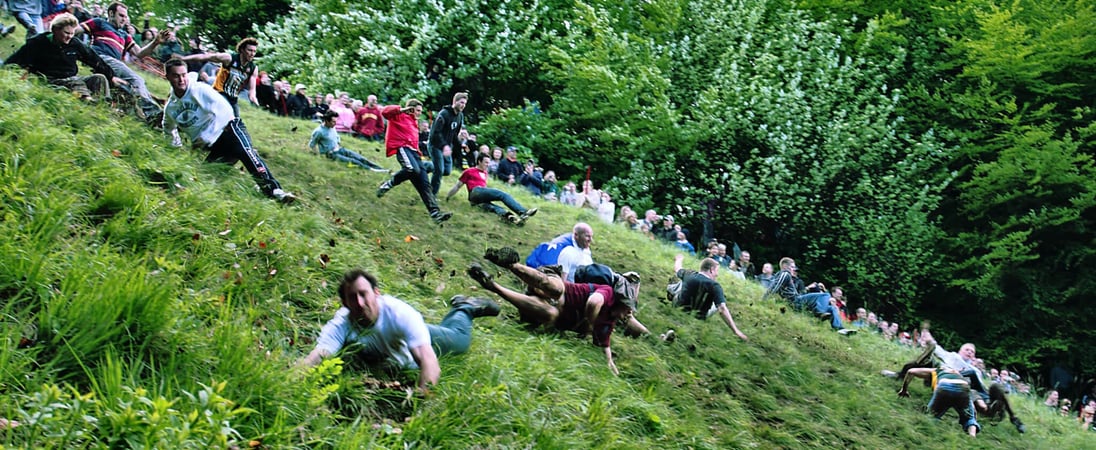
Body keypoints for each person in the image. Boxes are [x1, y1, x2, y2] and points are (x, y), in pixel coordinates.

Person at [300, 269, 500, 392]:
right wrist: (291, 377)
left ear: (377, 293)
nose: (360, 303)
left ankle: (465, 308)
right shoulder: (341, 323)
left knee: (461, 341)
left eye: (364, 294)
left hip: (422, 338)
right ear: (344, 303)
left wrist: (422, 399)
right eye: (353, 297)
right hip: (400, 350)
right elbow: (319, 354)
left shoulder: (400, 313)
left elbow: (429, 362)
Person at [467, 254, 639, 376]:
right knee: (557, 290)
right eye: (628, 310)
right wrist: (590, 323)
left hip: (537, 309)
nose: (628, 314)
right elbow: (594, 302)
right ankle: (511, 264)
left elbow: (605, 350)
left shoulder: (608, 325)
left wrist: (611, 366)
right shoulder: (607, 292)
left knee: (551, 314)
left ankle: (491, 285)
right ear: (621, 302)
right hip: (548, 282)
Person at [161, 59, 296, 203]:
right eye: (176, 76)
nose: (181, 79)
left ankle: (275, 191)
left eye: (184, 75)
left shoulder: (199, 89)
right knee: (205, 178)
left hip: (229, 129)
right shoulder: (171, 108)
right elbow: (168, 128)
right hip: (214, 147)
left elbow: (225, 110)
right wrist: (176, 150)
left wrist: (205, 137)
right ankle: (249, 188)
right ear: (167, 76)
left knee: (244, 151)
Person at [74, 1, 166, 121]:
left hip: (114, 65)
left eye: (126, 16)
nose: (124, 19)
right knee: (136, 79)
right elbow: (75, 30)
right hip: (101, 57)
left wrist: (155, 42)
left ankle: (150, 118)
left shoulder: (125, 35)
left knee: (131, 86)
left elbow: (139, 53)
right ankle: (152, 112)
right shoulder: (99, 22)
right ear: (111, 13)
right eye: (121, 15)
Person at [4, 13, 114, 101]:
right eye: (66, 33)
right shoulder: (38, 42)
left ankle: (103, 104)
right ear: (56, 29)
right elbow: (17, 58)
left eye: (72, 33)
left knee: (99, 78)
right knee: (75, 83)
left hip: (72, 77)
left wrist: (111, 76)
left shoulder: (75, 43)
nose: (69, 37)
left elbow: (94, 59)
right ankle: (87, 100)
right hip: (51, 80)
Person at [376, 98, 453, 224]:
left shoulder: (414, 123)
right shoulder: (398, 116)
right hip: (402, 148)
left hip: (414, 153)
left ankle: (435, 214)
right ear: (410, 109)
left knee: (424, 183)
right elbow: (384, 112)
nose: (419, 113)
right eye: (417, 110)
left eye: (420, 111)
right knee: (412, 169)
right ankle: (389, 184)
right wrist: (403, 109)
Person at [445, 153, 538, 225]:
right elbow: (458, 185)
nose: (487, 165)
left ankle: (512, 220)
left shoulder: (485, 173)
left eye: (488, 163)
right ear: (479, 162)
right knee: (502, 195)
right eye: (486, 162)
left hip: (477, 201)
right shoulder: (469, 171)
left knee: (495, 208)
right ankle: (522, 211)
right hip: (475, 192)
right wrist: (448, 196)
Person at [671, 255, 748, 340]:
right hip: (698, 317)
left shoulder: (689, 274)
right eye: (716, 271)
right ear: (711, 270)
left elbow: (677, 269)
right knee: (721, 301)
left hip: (678, 307)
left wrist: (679, 259)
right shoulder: (715, 286)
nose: (717, 275)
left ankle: (670, 292)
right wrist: (736, 331)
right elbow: (722, 309)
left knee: (680, 283)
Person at [181, 37, 261, 117]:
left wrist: (254, 99)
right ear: (242, 50)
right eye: (250, 50)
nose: (252, 54)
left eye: (254, 51)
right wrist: (183, 58)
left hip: (233, 98)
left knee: (235, 123)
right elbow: (205, 57)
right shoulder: (229, 58)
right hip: (219, 93)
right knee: (220, 115)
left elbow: (252, 90)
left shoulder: (253, 68)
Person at [898, 367, 981, 437]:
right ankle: (972, 437)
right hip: (963, 387)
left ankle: (926, 434)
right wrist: (972, 416)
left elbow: (911, 371)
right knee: (969, 418)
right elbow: (972, 409)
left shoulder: (937, 370)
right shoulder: (959, 376)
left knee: (931, 415)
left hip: (944, 386)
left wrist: (904, 389)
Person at [309, 110, 389, 172]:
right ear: (327, 121)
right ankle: (373, 171)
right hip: (331, 154)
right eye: (333, 121)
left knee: (360, 158)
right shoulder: (319, 131)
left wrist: (338, 143)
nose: (335, 123)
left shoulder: (332, 127)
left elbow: (336, 137)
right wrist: (318, 155)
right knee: (354, 162)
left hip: (339, 149)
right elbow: (312, 144)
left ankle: (381, 169)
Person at [427, 92, 467, 195]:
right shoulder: (444, 114)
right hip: (435, 145)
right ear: (455, 101)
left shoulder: (460, 116)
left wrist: (460, 146)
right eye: (461, 102)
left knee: (447, 171)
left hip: (447, 147)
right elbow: (435, 133)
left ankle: (425, 166)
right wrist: (444, 145)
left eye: (465, 103)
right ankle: (431, 195)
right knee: (439, 171)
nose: (463, 105)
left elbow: (454, 134)